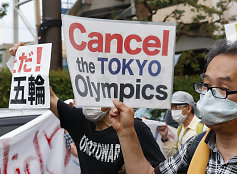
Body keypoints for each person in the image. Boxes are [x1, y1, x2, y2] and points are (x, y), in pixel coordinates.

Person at [109, 40, 237, 174]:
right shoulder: (196, 146)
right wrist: (126, 132)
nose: (208, 95)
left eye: (222, 87)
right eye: (206, 85)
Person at [9, 43, 165, 174]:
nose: (89, 100)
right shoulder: (79, 121)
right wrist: (28, 60)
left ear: (114, 96)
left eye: (96, 93)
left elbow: (158, 169)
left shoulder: (134, 128)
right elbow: (48, 97)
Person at [158, 91, 207, 158]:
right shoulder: (180, 128)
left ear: (189, 108)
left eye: (177, 106)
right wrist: (165, 138)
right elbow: (175, 157)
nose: (173, 110)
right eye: (172, 107)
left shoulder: (203, 128)